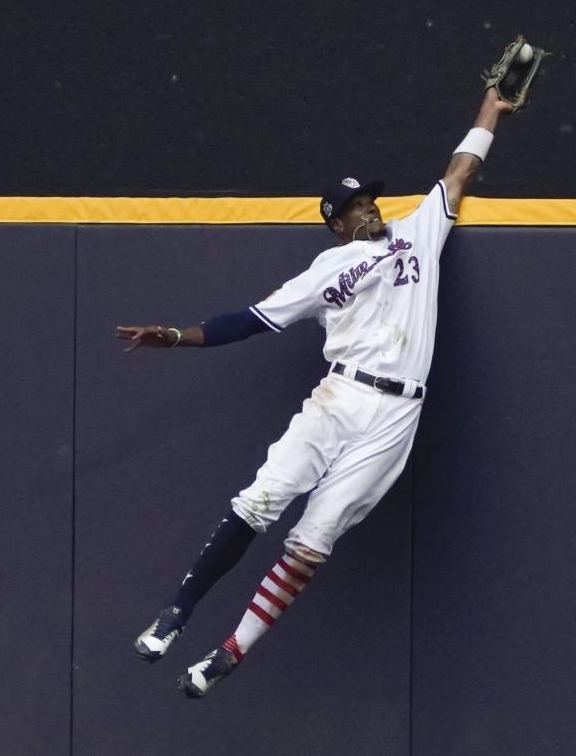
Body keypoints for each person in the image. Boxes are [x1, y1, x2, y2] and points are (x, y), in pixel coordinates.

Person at [116, 86, 513, 698]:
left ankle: (228, 653)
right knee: (261, 499)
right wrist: (175, 335)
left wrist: (491, 109)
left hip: (396, 414)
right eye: (355, 205)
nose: (369, 208)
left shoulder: (420, 231)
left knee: (314, 540)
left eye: (370, 199)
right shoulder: (323, 272)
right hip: (338, 399)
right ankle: (176, 613)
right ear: (335, 222)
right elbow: (250, 319)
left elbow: (461, 170)